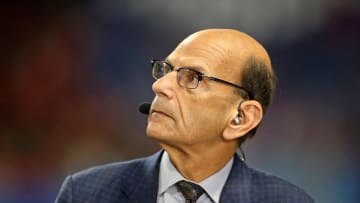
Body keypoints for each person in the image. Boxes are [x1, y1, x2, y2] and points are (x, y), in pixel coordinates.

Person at [55, 29, 315, 203]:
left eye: (193, 77)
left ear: (242, 117)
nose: (160, 86)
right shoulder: (85, 193)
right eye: (165, 70)